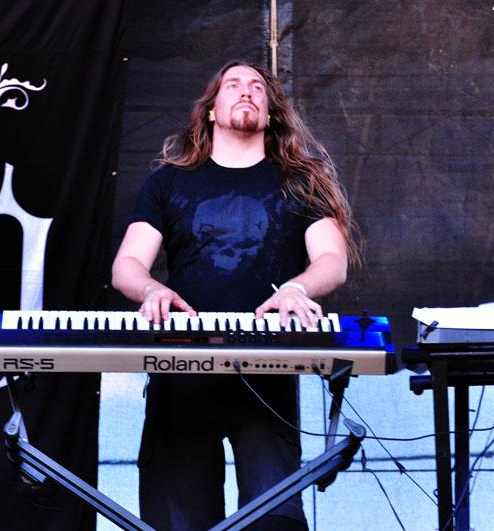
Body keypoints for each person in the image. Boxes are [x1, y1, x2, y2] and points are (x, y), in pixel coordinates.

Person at [111, 60, 359, 531]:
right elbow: (127, 265)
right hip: (181, 369)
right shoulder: (169, 181)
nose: (247, 91)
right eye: (234, 85)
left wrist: (297, 287)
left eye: (257, 88)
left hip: (268, 373)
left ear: (270, 112)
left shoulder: (301, 179)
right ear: (211, 109)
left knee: (273, 519)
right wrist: (151, 288)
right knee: (179, 520)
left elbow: (332, 260)